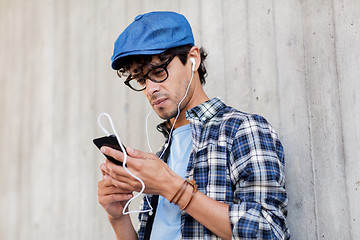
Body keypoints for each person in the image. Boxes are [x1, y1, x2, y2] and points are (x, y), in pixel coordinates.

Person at [97, 11, 290, 240]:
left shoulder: (241, 130)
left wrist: (171, 187)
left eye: (159, 72)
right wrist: (118, 219)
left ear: (193, 59)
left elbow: (270, 231)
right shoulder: (161, 157)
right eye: (141, 80)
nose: (150, 89)